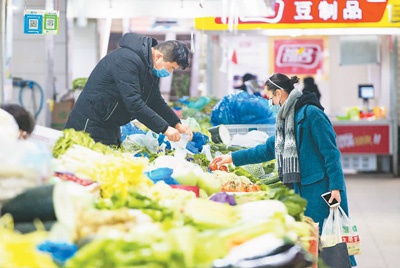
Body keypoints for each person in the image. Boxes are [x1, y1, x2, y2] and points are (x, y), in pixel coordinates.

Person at [211, 73, 356, 266]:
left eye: (270, 97)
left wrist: (336, 187)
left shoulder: (312, 114)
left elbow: (331, 152)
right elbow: (268, 149)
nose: (270, 102)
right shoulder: (286, 118)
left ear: (279, 93)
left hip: (321, 189)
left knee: (330, 242)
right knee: (312, 241)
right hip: (301, 187)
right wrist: (231, 157)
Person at [64, 32, 193, 146]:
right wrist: (165, 129)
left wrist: (176, 124)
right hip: (89, 125)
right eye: (171, 67)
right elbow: (134, 104)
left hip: (110, 124)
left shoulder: (149, 67)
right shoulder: (127, 60)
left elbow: (155, 100)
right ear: (158, 57)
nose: (169, 72)